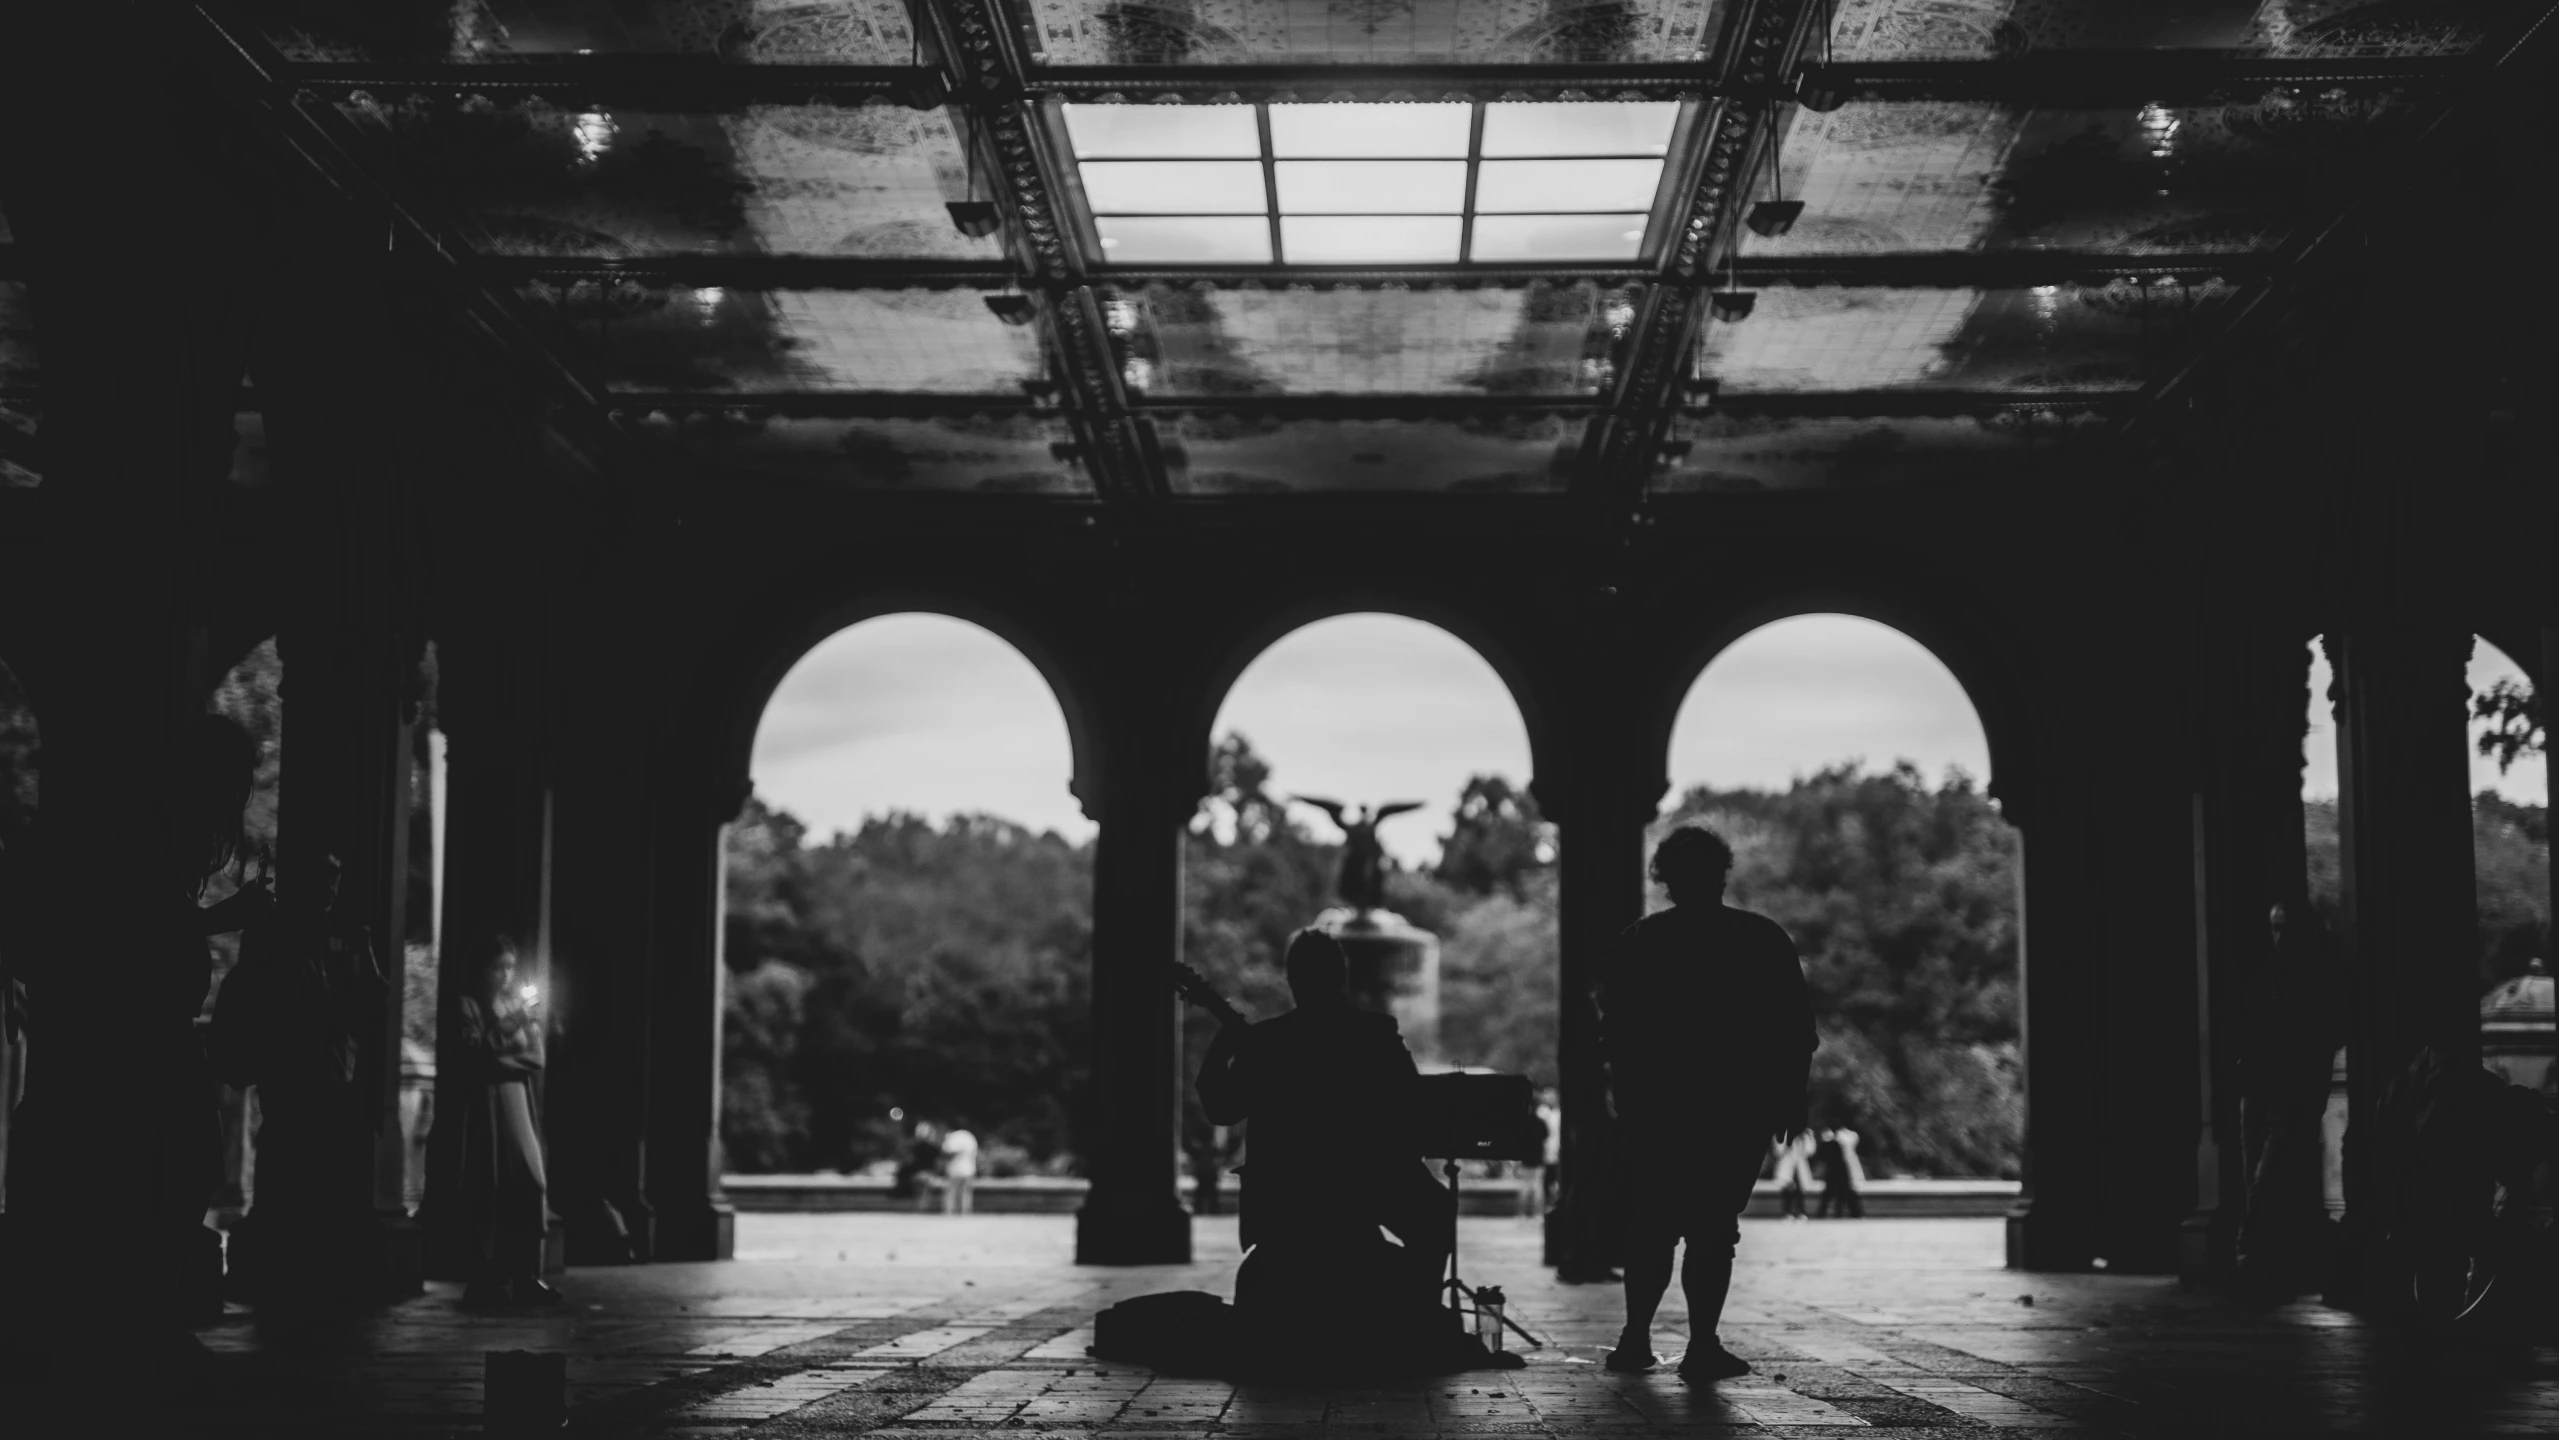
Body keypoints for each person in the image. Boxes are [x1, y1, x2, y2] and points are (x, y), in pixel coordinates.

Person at [1599, 824, 1814, 1383]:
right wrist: (1791, 1097)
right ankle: (1701, 1345)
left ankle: (1634, 1338)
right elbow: (1794, 1031)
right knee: (1714, 1227)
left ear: (1663, 878)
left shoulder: (1638, 942)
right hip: (1734, 1107)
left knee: (1651, 1224)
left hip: (1658, 1109)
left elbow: (1615, 1034)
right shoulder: (1761, 938)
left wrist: (1624, 1103)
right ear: (1723, 872)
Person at [1196, 927, 1455, 1369]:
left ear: (1293, 981)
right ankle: (1420, 1314)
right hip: (1364, 1185)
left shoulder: (1267, 1041)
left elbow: (1221, 1107)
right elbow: (1413, 1108)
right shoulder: (1376, 1033)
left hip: (1284, 1195)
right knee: (1436, 1213)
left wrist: (1225, 1047)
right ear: (1343, 978)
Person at [448, 936, 559, 1307]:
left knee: (531, 1180)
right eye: (498, 966)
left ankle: (526, 1272)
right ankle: (485, 1276)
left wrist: (498, 1063)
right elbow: (473, 1051)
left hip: (515, 1097)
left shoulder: (516, 1005)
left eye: (510, 966)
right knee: (488, 1184)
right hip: (485, 1102)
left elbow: (536, 1058)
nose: (505, 974)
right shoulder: (469, 1005)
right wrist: (507, 1032)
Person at [1814, 1123, 1866, 1218]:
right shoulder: (1835, 1138)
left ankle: (1845, 1211)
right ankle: (1848, 1212)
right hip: (1840, 1167)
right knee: (1840, 1190)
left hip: (1842, 1167)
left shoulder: (1843, 1137)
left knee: (1843, 1190)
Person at [1771, 1130, 1816, 1221]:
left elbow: (1810, 1151)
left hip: (1799, 1166)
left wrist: (1807, 1139)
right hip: (1787, 1165)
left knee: (1800, 1190)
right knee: (1787, 1190)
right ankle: (1787, 1212)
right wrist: (1787, 1143)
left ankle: (1801, 1212)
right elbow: (1778, 1151)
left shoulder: (1805, 1134)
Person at [939, 1123, 979, 1215]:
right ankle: (965, 1212)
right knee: (966, 1192)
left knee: (951, 1192)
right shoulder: (970, 1136)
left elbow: (946, 1152)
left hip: (955, 1169)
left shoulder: (952, 1137)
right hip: (969, 1169)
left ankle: (949, 1212)